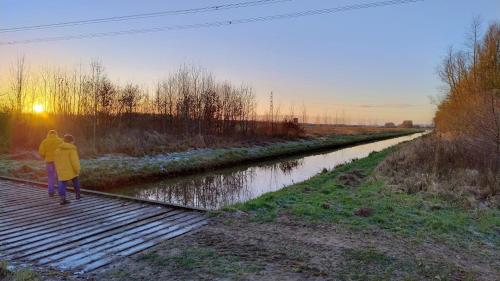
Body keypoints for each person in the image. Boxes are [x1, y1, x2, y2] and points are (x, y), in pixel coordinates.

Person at [54, 134, 81, 205]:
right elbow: (74, 162)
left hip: (61, 170)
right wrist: (77, 170)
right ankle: (78, 195)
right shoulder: (72, 150)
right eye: (73, 141)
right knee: (76, 181)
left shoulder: (57, 150)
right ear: (71, 141)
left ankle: (62, 199)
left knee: (62, 184)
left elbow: (55, 161)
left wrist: (58, 169)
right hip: (71, 170)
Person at [38, 130, 63, 197]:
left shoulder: (45, 141)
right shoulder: (60, 141)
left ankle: (51, 192)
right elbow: (63, 151)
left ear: (48, 134)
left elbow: (41, 152)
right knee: (60, 177)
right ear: (56, 134)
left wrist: (45, 157)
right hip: (58, 162)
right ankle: (61, 192)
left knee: (50, 177)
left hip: (49, 161)